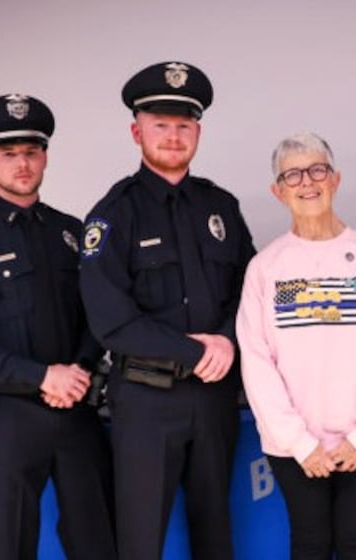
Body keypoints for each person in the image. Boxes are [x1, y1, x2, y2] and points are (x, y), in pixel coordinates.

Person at [79, 61, 256, 559]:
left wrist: (225, 338)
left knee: (216, 531)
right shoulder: (113, 214)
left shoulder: (220, 206)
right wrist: (194, 350)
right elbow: (111, 319)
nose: (173, 136)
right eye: (161, 125)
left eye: (184, 125)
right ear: (137, 132)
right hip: (146, 399)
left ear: (198, 131)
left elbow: (250, 288)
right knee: (141, 537)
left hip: (215, 396)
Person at [0, 94, 116, 560]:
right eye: (9, 154)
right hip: (8, 419)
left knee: (98, 543)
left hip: (77, 411)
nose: (22, 163)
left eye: (31, 152)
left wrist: (78, 369)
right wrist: (41, 376)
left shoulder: (73, 233)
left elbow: (100, 314)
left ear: (45, 156)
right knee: (9, 546)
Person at [237, 133, 356, 559]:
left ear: (335, 179)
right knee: (311, 541)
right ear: (277, 191)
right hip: (293, 444)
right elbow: (257, 362)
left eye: (317, 170)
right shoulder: (265, 268)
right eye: (293, 174)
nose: (307, 182)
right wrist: (300, 443)